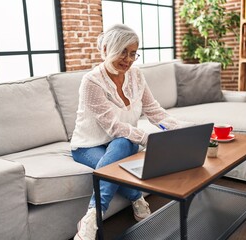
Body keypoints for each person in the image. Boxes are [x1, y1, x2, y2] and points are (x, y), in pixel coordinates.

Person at [71, 24, 192, 240]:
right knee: (117, 159)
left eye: (133, 53)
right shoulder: (91, 82)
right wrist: (148, 139)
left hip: (122, 142)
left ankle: (94, 213)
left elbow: (153, 110)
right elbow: (114, 127)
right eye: (123, 52)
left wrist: (180, 131)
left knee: (122, 144)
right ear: (107, 49)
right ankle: (97, 214)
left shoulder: (136, 76)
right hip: (88, 145)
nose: (128, 59)